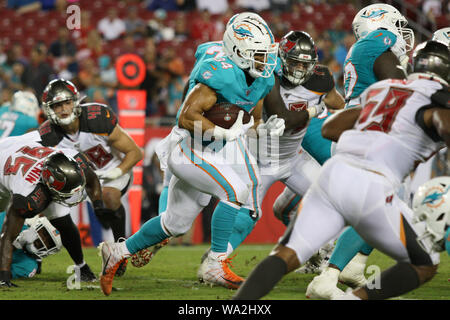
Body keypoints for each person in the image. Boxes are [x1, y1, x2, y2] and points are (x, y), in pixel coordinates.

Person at [232, 39, 450, 300]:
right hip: (372, 184)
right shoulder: (437, 98)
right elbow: (440, 122)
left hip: (334, 173)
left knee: (286, 254)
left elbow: (330, 129)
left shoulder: (386, 89)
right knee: (425, 263)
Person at [97, 12, 285, 296]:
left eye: (266, 54)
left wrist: (264, 130)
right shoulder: (221, 73)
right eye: (258, 55)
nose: (266, 61)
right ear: (238, 52)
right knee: (236, 190)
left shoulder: (262, 79)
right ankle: (215, 262)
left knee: (175, 223)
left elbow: (251, 120)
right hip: (188, 148)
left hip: (213, 152)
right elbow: (186, 117)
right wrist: (219, 131)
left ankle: (117, 251)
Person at [197, 30, 345, 280]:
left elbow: (340, 105)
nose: (299, 68)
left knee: (332, 199)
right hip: (259, 161)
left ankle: (321, 254)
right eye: (294, 61)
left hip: (293, 157)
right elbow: (283, 120)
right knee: (248, 216)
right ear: (282, 58)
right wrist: (315, 109)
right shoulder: (267, 73)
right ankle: (214, 261)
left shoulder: (321, 79)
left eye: (304, 63)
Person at [305, 3, 415, 299]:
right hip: (365, 130)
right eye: (397, 27)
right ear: (381, 25)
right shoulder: (377, 41)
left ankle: (353, 264)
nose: (402, 34)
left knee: (391, 198)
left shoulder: (367, 47)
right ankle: (328, 275)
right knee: (380, 200)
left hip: (367, 127)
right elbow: (401, 87)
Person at [37, 78, 143, 276]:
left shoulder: (97, 118)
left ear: (76, 101)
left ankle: (120, 249)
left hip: (110, 172)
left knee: (109, 197)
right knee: (39, 206)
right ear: (49, 109)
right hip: (78, 181)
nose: (63, 109)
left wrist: (117, 172)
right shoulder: (49, 134)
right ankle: (33, 257)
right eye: (57, 105)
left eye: (67, 102)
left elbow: (135, 153)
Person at [0, 140, 107, 287]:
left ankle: (82, 267)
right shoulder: (27, 193)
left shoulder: (70, 157)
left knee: (64, 222)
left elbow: (92, 178)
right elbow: (8, 235)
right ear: (49, 185)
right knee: (8, 227)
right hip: (5, 166)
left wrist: (98, 204)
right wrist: (4, 278)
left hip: (21, 148)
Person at [7, 213, 62, 279]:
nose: (43, 240)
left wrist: (15, 246)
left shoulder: (29, 266)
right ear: (37, 225)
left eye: (49, 242)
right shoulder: (15, 223)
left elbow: (3, 275)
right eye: (44, 233)